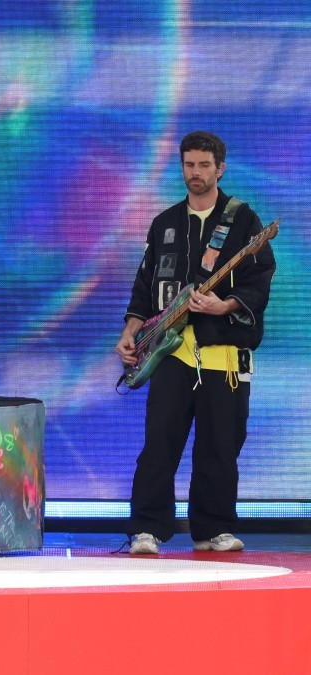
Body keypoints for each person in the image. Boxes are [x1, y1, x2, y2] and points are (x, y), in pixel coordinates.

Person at [116, 131, 276, 555]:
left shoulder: (244, 220)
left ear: (220, 168)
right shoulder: (164, 223)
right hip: (171, 352)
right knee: (159, 445)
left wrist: (226, 306)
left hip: (223, 355)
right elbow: (144, 285)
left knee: (220, 448)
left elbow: (260, 278)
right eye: (189, 165)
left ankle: (213, 529)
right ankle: (147, 529)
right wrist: (131, 330)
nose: (196, 173)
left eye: (204, 165)